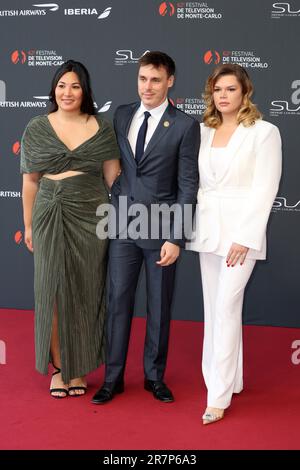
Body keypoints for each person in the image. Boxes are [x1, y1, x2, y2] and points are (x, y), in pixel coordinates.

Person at [92, 51, 200, 404]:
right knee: (118, 302)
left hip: (161, 231)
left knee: (159, 306)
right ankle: (113, 377)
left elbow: (187, 185)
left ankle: (154, 377)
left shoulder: (184, 125)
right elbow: (116, 163)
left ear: (170, 82)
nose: (147, 86)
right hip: (123, 225)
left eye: (155, 79)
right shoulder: (122, 114)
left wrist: (176, 236)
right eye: (142, 79)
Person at [187, 64, 282, 424]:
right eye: (217, 90)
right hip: (207, 230)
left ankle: (218, 396)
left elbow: (266, 187)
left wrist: (246, 237)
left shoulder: (263, 132)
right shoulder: (203, 132)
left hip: (241, 234)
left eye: (230, 89)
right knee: (215, 310)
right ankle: (230, 379)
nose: (223, 96)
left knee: (226, 307)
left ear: (245, 93)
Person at [21, 60, 120, 398]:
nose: (68, 92)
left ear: (85, 90)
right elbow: (30, 181)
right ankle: (60, 368)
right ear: (54, 89)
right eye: (62, 85)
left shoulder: (102, 126)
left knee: (86, 290)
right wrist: (28, 224)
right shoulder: (37, 126)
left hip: (92, 213)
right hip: (49, 210)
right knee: (50, 290)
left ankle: (79, 369)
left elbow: (113, 179)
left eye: (75, 86)